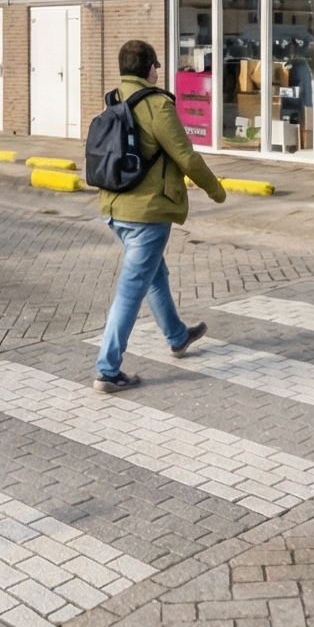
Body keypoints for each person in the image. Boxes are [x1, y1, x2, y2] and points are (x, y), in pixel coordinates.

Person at [95, 38, 227, 389]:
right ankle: (108, 370)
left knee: (154, 273)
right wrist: (215, 190)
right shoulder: (157, 106)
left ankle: (177, 335)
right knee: (130, 290)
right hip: (147, 214)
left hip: (113, 209)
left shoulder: (114, 99)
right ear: (150, 68)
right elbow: (187, 157)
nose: (158, 70)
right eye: (156, 65)